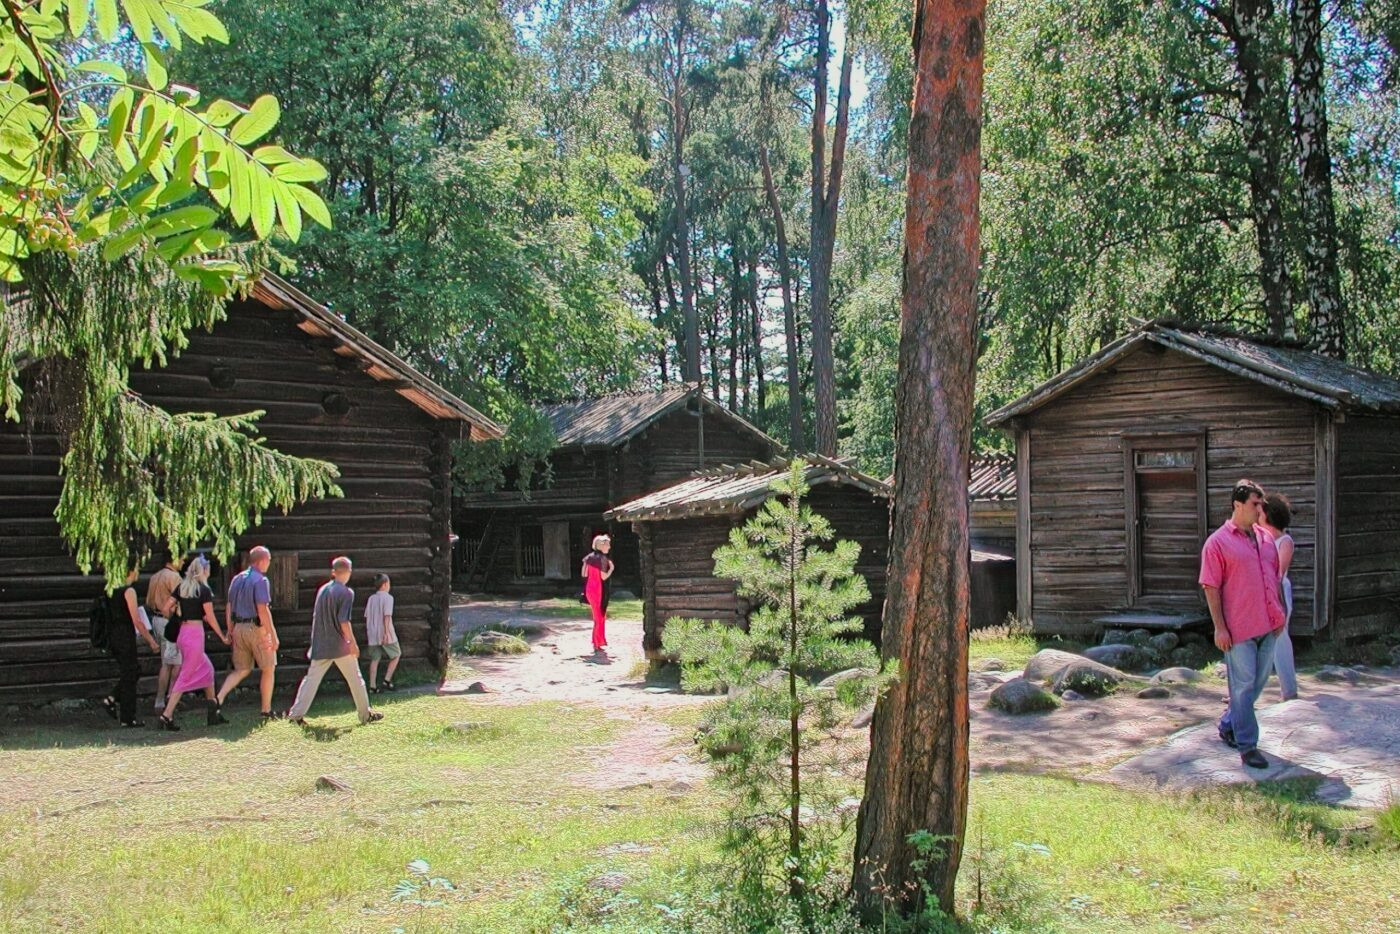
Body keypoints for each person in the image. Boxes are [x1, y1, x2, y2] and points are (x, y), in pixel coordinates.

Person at [1200, 479, 1287, 769]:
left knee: (1256, 686)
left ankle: (1229, 723)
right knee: (1243, 686)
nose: (1260, 509)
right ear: (1238, 505)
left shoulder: (1265, 540)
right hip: (1239, 629)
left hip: (1268, 625)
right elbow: (1210, 587)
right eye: (1255, 504)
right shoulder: (1218, 543)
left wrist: (1281, 612)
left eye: (1261, 504)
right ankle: (1248, 746)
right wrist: (1220, 628)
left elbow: (1274, 578)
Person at [286, 556, 382, 725]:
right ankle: (365, 715)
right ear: (349, 572)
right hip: (339, 646)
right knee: (356, 679)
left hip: (321, 644)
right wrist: (352, 643)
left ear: (333, 572)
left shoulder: (323, 590)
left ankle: (295, 715)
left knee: (311, 680)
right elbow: (344, 621)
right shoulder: (346, 593)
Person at [158, 556, 230, 731]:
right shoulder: (203, 590)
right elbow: (210, 617)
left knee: (208, 670)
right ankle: (166, 715)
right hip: (195, 635)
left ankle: (213, 713)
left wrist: (177, 617)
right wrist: (222, 636)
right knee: (186, 675)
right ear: (204, 571)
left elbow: (166, 608)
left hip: (184, 633)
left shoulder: (181, 587)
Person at [215, 546, 281, 718]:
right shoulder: (260, 580)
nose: (269, 563)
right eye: (268, 560)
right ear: (262, 561)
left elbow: (229, 606)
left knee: (242, 669)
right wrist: (272, 635)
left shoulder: (237, 579)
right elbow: (262, 610)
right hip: (256, 628)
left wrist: (230, 629)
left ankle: (218, 698)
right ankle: (265, 710)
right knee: (268, 668)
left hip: (238, 627)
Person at [102, 568, 161, 728]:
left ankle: (112, 699)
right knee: (130, 675)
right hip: (125, 636)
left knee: (132, 671)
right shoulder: (129, 591)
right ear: (130, 571)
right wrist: (151, 641)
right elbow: (137, 620)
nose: (138, 572)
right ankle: (127, 718)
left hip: (113, 636)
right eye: (136, 569)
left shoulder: (112, 589)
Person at [1258, 492, 1298, 701]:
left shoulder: (1284, 541)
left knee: (1280, 639)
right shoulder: (1259, 539)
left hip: (1278, 592)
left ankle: (1289, 690)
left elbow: (1279, 573)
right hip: (1259, 592)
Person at [145, 553, 184, 713]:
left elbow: (148, 601)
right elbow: (180, 602)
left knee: (167, 661)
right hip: (169, 622)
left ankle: (164, 699)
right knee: (175, 663)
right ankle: (166, 699)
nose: (183, 562)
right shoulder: (174, 577)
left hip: (156, 620)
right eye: (181, 559)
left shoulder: (154, 577)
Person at [364, 573, 400, 693]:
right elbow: (387, 616)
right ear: (385, 585)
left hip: (372, 633)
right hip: (385, 632)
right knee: (396, 654)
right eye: (389, 583)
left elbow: (367, 616)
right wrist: (385, 633)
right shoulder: (388, 598)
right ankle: (387, 680)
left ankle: (372, 687)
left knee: (375, 659)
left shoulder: (371, 599)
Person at [581, 534, 614, 653]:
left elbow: (584, 574)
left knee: (599, 616)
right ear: (602, 545)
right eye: (608, 544)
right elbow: (603, 577)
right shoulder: (603, 559)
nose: (609, 547)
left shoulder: (588, 558)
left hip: (589, 589)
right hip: (598, 590)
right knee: (599, 617)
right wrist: (611, 569)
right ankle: (596, 642)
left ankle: (599, 641)